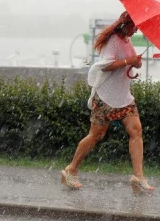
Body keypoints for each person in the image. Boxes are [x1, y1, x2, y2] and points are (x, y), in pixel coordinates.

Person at [61, 11, 154, 192]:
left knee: (136, 131)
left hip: (124, 98)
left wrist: (136, 63)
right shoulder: (113, 41)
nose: (136, 31)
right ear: (126, 24)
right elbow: (106, 65)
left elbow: (130, 60)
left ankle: (138, 177)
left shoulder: (127, 40)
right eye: (134, 26)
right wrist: (128, 60)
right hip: (105, 97)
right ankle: (71, 170)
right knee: (96, 135)